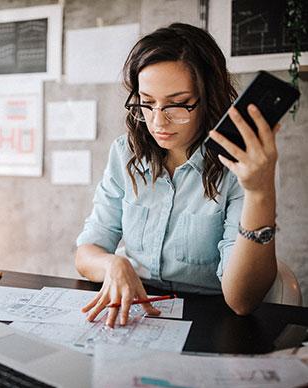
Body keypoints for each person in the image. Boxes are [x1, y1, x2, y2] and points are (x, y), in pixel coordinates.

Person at [75, 23, 280, 328]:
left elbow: (242, 301)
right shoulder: (125, 153)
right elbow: (87, 252)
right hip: (137, 316)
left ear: (208, 98)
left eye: (178, 104)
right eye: (147, 103)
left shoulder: (238, 167)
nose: (158, 121)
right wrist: (113, 264)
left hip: (210, 320)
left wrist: (260, 192)